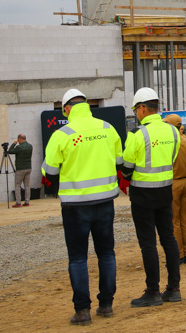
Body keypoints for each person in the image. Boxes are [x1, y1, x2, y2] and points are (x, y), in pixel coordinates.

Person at [42, 89, 123, 326]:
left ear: (66, 109)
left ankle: (82, 311)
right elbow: (119, 161)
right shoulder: (107, 129)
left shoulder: (62, 134)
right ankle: (106, 305)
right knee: (106, 253)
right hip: (105, 203)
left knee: (78, 258)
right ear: (87, 105)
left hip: (75, 206)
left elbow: (50, 171)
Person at [121, 88, 182, 307]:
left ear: (143, 108)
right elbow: (172, 159)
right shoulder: (173, 132)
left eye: (136, 109)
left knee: (148, 243)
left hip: (143, 194)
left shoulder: (138, 135)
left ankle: (153, 291)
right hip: (165, 190)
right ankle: (174, 288)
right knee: (168, 238)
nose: (137, 113)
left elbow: (126, 168)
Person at [164, 114, 186, 265]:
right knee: (185, 220)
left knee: (174, 220)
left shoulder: (170, 143)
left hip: (174, 183)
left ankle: (179, 254)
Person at [7, 134, 33, 207]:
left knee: (17, 185)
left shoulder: (19, 147)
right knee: (27, 185)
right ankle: (27, 201)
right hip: (28, 167)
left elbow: (10, 151)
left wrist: (14, 144)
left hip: (20, 168)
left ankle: (18, 202)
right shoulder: (30, 146)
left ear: (20, 139)